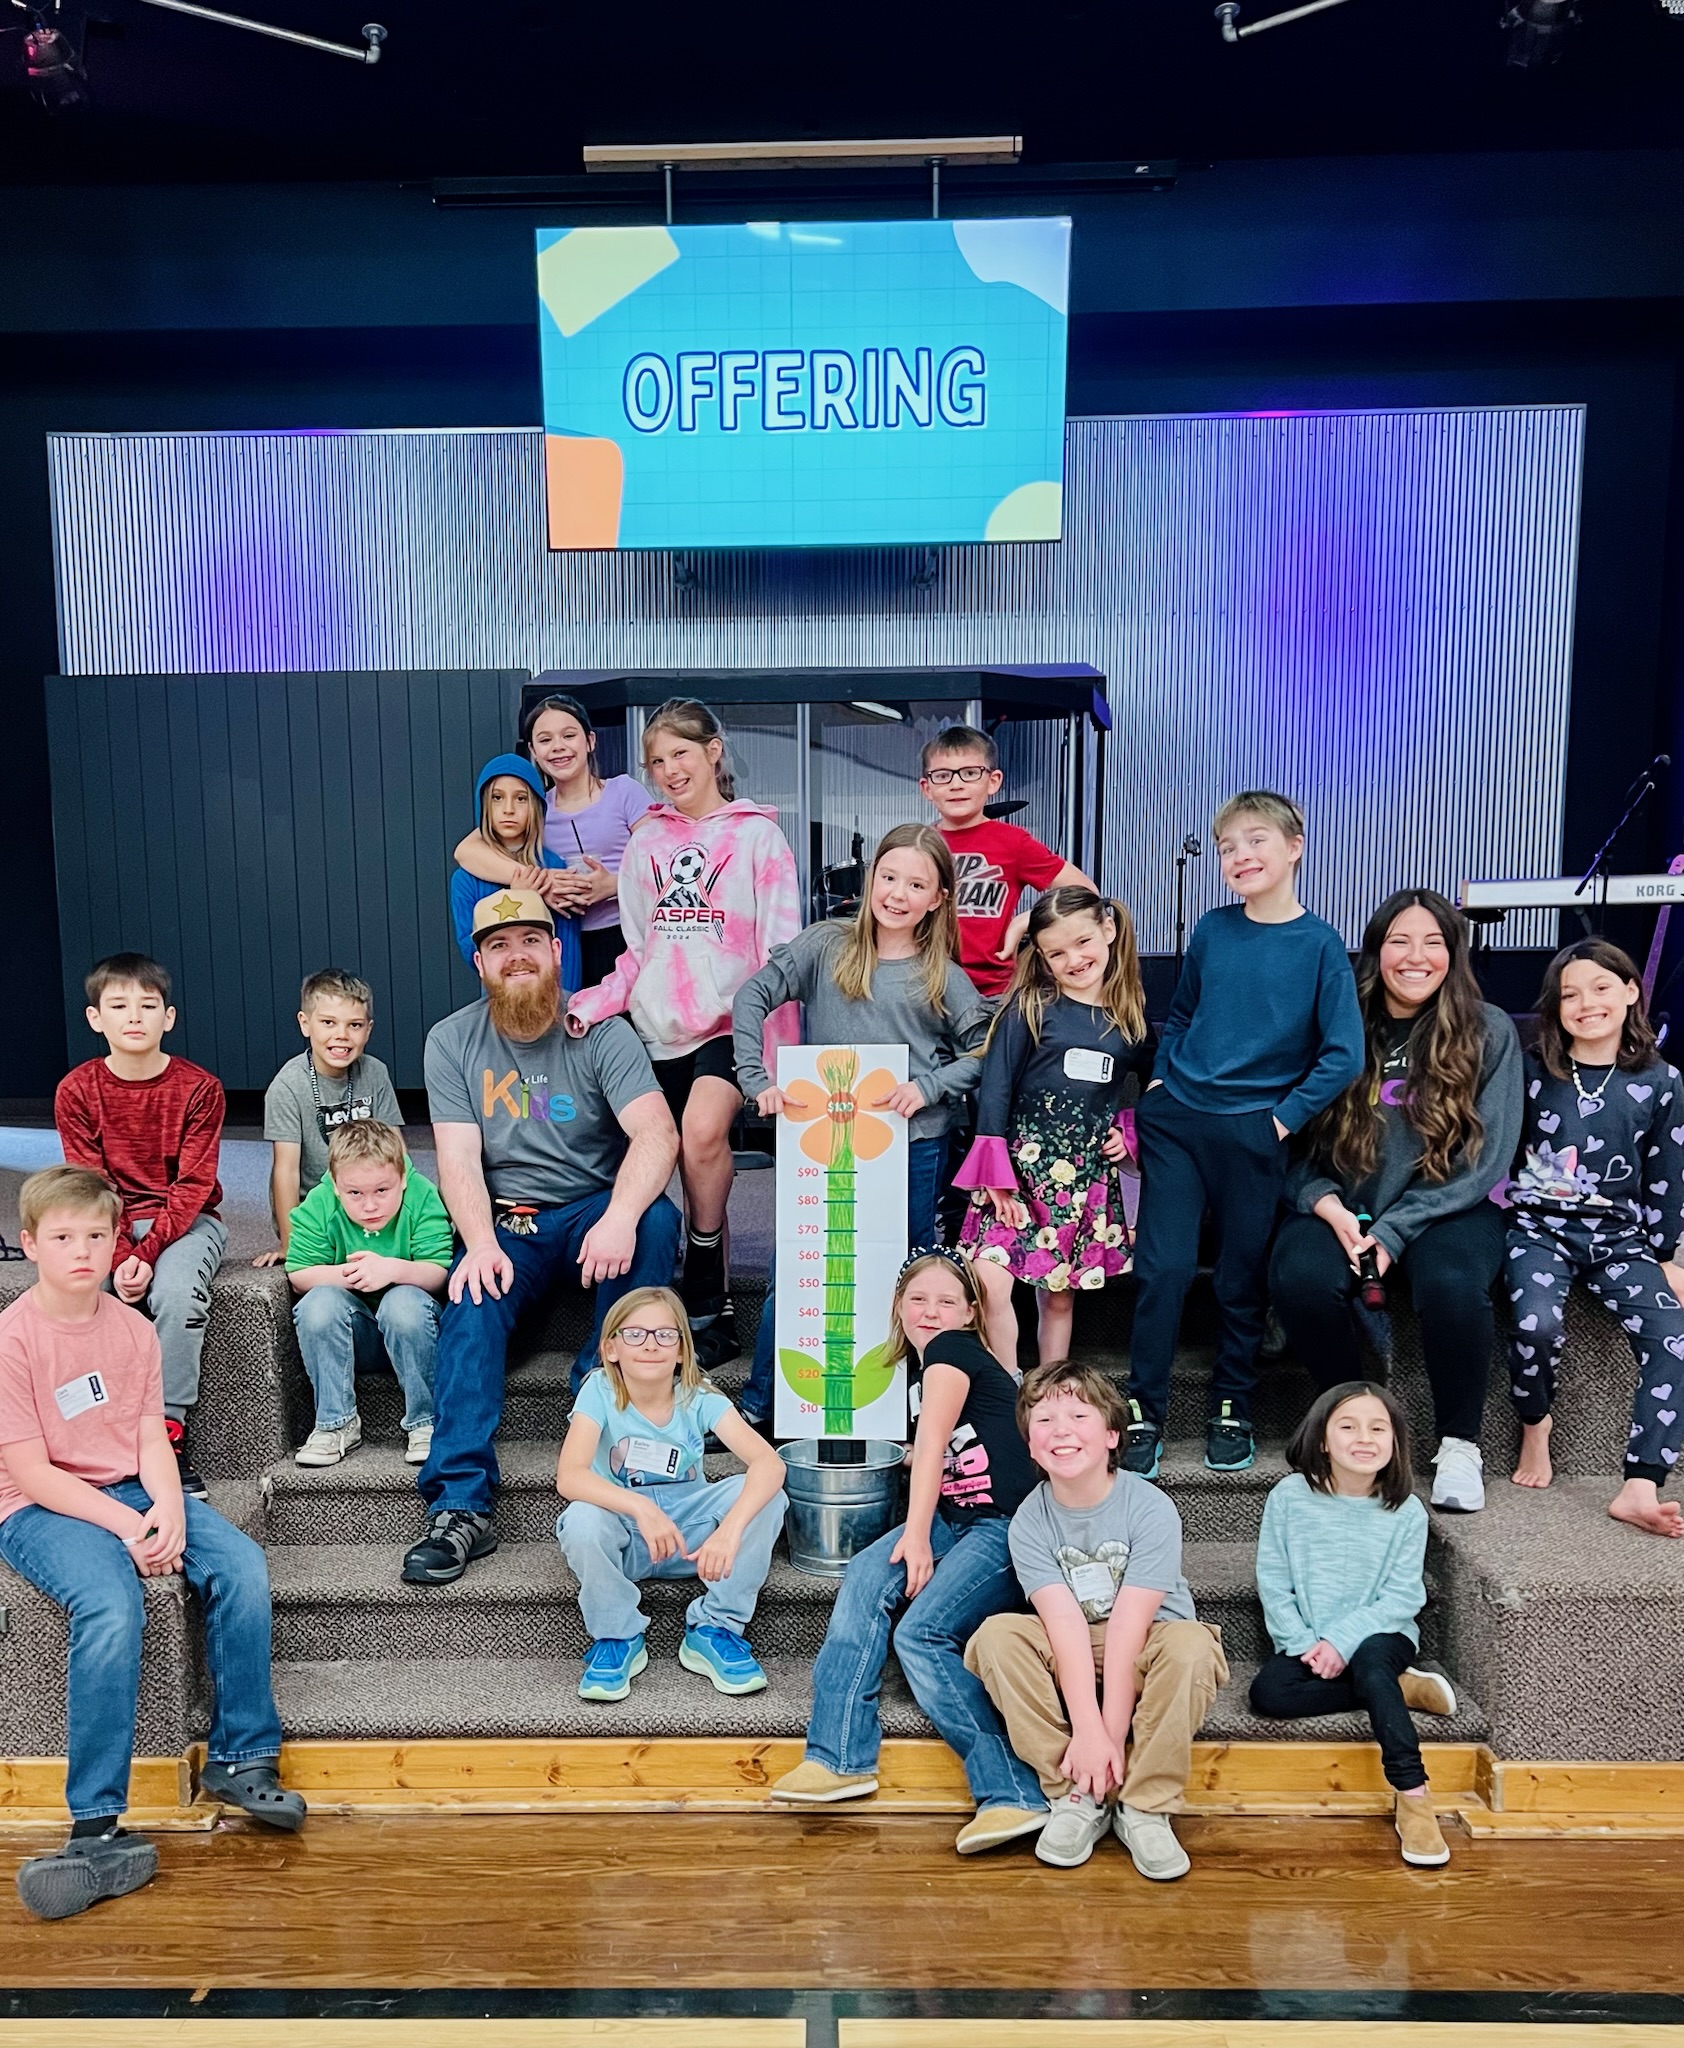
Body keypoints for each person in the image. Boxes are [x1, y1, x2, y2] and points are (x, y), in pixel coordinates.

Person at [0, 1166, 304, 1922]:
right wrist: (129, 1529)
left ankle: (242, 1756)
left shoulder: (133, 1329)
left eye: (95, 1236)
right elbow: (32, 1473)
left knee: (241, 1565)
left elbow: (149, 1437)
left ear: (117, 1241)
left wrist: (168, 1506)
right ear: (29, 1244)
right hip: (42, 1506)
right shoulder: (13, 1339)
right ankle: (96, 1825)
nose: (81, 1251)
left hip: (134, 1488)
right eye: (62, 1237)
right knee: (111, 1605)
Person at [403, 888, 681, 1586]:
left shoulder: (602, 1031)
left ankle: (599, 1386)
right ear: (479, 963)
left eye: (531, 940)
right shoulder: (451, 1040)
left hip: (593, 1211)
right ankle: (460, 1504)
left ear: (557, 952)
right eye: (499, 946)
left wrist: (618, 1216)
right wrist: (480, 1241)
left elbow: (657, 1133)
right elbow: (458, 1159)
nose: (517, 956)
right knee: (469, 1301)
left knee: (655, 1220)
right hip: (511, 1221)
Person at [769, 1249, 1050, 1856]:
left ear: (969, 1313)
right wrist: (917, 1496)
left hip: (1005, 1528)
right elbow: (944, 1451)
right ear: (898, 1306)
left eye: (947, 1301)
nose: (931, 1311)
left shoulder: (953, 1350)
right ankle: (838, 1757)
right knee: (867, 1575)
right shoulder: (927, 1368)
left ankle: (1012, 1790)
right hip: (959, 1517)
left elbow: (933, 1444)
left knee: (922, 1633)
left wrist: (916, 1534)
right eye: (918, 1298)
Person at [1126, 792, 1364, 1477]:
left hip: (1256, 1130)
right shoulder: (1212, 928)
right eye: (1228, 847)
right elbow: (1182, 1014)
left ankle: (1232, 1403)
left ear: (1295, 846)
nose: (1239, 856)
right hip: (1179, 1122)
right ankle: (1143, 1410)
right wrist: (1160, 1083)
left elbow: (1343, 1054)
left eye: (1255, 840)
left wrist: (1282, 1119)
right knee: (1164, 1269)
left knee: (1239, 1275)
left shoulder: (1320, 945)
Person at [1269, 889, 1523, 1512]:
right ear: (1375, 951)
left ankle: (1459, 1444)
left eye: (1433, 942)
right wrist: (1324, 1203)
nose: (1415, 957)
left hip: (1446, 1206)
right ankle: (1350, 1421)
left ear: (1454, 952)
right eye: (1399, 941)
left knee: (1453, 1285)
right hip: (1341, 1202)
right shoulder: (1336, 1023)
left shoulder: (1489, 1030)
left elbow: (1486, 1157)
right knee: (1300, 1279)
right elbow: (1289, 1139)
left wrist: (1394, 1232)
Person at [568, 698, 800, 1371]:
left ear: (713, 751)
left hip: (733, 1021)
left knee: (701, 1133)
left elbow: (781, 951)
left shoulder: (758, 838)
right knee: (673, 1158)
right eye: (656, 761)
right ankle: (703, 1303)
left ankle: (704, 1292)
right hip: (657, 1024)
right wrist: (594, 1002)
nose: (670, 770)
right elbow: (639, 950)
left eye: (681, 754)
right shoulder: (646, 842)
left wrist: (776, 1054)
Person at [733, 824, 992, 1425]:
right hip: (821, 1142)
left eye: (917, 885)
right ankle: (762, 1406)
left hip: (913, 1147)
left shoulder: (943, 975)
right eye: (889, 876)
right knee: (796, 1268)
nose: (898, 893)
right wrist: (754, 1077)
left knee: (908, 1275)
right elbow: (751, 997)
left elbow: (985, 1052)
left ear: (939, 898)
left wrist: (929, 1086)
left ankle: (908, 1411)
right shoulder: (825, 945)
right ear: (872, 877)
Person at [964, 1361, 1227, 1879]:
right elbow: (1063, 1623)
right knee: (997, 1636)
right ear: (1031, 1445)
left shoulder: (1151, 1507)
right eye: (1044, 1420)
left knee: (1194, 1647)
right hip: (1074, 1642)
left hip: (1148, 1640)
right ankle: (1075, 1793)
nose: (1060, 1430)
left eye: (1078, 1416)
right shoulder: (1029, 1520)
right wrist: (1087, 1734)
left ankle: (1144, 1805)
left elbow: (1129, 1626)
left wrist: (1108, 1736)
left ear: (1111, 1436)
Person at [1504, 939, 1684, 1537]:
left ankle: (1641, 1484)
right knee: (1536, 1323)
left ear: (1631, 991)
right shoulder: (1531, 1070)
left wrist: (1666, 1255)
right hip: (1537, 1230)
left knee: (1675, 1337)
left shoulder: (1662, 1081)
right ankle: (1536, 1423)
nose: (1586, 1004)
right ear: (1555, 1007)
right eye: (1570, 995)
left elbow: (1666, 1174)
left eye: (1601, 988)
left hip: (1620, 1241)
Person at [1249, 1381, 1458, 1868]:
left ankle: (1413, 1794)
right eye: (1348, 1426)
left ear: (1394, 1442)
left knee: (1372, 1663)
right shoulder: (1289, 1497)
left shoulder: (1406, 1510)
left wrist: (1342, 1641)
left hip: (1383, 1633)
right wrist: (1305, 1643)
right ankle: (1400, 1689)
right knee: (1268, 1694)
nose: (1364, 1438)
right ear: (1322, 1439)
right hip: (1309, 1637)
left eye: (1378, 1428)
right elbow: (1273, 1581)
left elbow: (1403, 1597)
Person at [956, 887, 1156, 1372]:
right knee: (988, 1280)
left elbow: (1159, 1082)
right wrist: (994, 1173)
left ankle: (1046, 1387)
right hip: (1014, 1173)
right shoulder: (1029, 1007)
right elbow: (995, 1086)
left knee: (1059, 1295)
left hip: (1081, 1179)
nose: (1074, 959)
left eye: (1083, 942)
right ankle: (1006, 1388)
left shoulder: (1130, 1021)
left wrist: (1129, 1130)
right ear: (1042, 958)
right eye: (1057, 952)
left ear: (1108, 930)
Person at [557, 1287, 786, 1701]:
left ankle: (714, 1628)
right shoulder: (598, 1391)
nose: (650, 1344)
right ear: (610, 1349)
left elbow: (769, 1464)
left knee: (768, 1494)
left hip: (692, 1543)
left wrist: (730, 1531)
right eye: (634, 1334)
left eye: (665, 1334)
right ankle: (618, 1635)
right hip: (629, 1539)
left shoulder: (700, 1396)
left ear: (682, 1350)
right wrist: (639, 1507)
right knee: (581, 1517)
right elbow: (570, 1476)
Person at [54, 953, 227, 1501]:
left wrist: (145, 1254)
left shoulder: (200, 1088)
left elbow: (193, 1186)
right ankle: (88, 1435)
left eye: (148, 1006)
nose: (134, 1016)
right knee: (83, 1293)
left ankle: (167, 1433)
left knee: (175, 1294)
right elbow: (92, 1185)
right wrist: (120, 1251)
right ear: (95, 1018)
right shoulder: (76, 1090)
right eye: (119, 1005)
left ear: (168, 1017)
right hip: (104, 1222)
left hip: (187, 1221)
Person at [452, 692, 651, 989]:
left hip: (628, 933)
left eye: (568, 735)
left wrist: (614, 885)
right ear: (533, 751)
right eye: (545, 740)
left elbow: (664, 859)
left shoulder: (624, 792)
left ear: (590, 741)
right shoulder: (532, 809)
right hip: (566, 937)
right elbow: (466, 851)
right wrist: (538, 881)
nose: (558, 746)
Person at [285, 1119, 453, 1468]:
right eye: (355, 1194)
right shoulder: (320, 1202)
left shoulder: (421, 1195)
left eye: (382, 1190)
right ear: (336, 1186)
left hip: (414, 1332)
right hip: (354, 1333)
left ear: (402, 1179)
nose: (370, 1206)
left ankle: (426, 1422)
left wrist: (391, 1270)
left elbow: (438, 1272)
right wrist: (354, 1276)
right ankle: (336, 1423)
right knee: (318, 1303)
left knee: (402, 1302)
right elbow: (299, 1273)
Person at [917, 724, 1094, 1000]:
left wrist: (1027, 921)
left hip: (993, 993)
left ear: (993, 781)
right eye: (942, 775)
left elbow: (1085, 891)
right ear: (927, 788)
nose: (956, 784)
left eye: (970, 773)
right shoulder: (918, 844)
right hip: (928, 987)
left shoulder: (1013, 842)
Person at [254, 968, 402, 1269]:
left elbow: (398, 1152)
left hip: (371, 1200)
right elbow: (286, 1171)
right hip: (318, 1210)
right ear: (305, 1024)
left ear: (368, 1030)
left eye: (354, 1025)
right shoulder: (287, 1086)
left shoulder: (375, 1073)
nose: (341, 1035)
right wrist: (289, 1243)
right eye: (328, 1023)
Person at [449, 754, 582, 992]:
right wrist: (519, 898)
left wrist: (567, 1003)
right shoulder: (465, 880)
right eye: (497, 798)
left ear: (536, 806)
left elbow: (568, 947)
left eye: (521, 798)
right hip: (501, 1001)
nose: (508, 809)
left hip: (554, 1000)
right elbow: (472, 951)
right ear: (483, 805)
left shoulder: (555, 867)